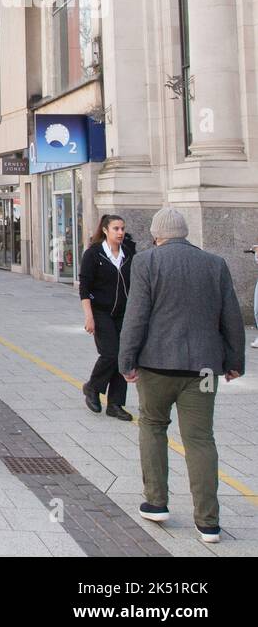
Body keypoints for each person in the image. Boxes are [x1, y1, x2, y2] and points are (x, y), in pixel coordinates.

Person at [120, 207, 245, 544]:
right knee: (201, 439)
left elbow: (137, 315)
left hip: (157, 366)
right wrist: (235, 361)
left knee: (153, 425)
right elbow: (231, 316)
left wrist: (126, 359)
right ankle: (208, 523)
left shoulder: (146, 262)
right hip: (203, 369)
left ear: (157, 234)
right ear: (185, 233)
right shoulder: (214, 264)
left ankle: (156, 502)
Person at [78, 214, 135, 422]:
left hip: (123, 312)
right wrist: (89, 316)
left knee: (123, 355)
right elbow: (84, 288)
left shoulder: (128, 253)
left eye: (122, 229)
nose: (120, 233)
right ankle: (92, 387)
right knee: (110, 354)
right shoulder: (94, 254)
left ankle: (115, 404)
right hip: (100, 311)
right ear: (105, 230)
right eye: (116, 229)